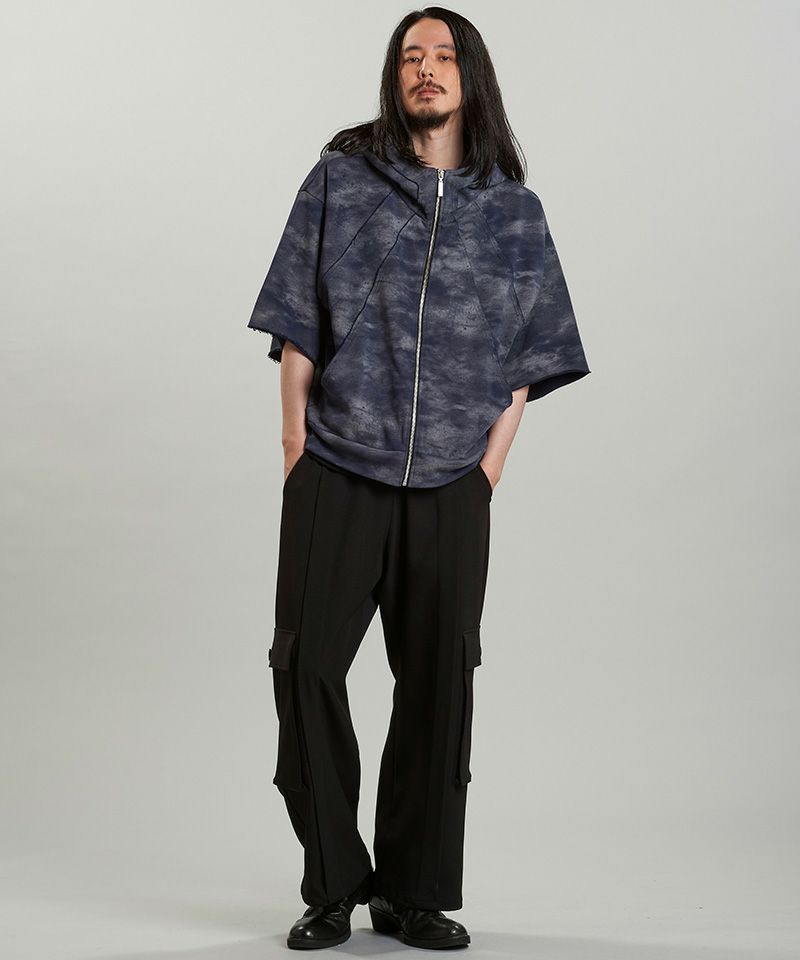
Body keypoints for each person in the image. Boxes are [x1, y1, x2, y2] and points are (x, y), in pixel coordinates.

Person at [246, 7, 591, 951]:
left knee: (440, 687)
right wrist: (295, 450)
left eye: (442, 56)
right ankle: (332, 885)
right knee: (306, 669)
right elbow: (297, 321)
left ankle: (412, 893)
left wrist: (487, 470)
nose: (425, 69)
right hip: (337, 466)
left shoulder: (514, 213)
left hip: (451, 484)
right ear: (395, 77)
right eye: (410, 57)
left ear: (470, 77)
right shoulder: (341, 181)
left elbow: (525, 361)